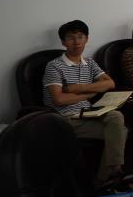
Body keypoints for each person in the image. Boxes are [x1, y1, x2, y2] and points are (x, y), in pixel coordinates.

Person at [43, 20, 126, 184]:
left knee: (116, 116)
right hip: (66, 119)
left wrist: (78, 88)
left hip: (88, 114)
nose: (77, 42)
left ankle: (106, 177)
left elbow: (110, 83)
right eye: (71, 38)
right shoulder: (54, 66)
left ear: (86, 39)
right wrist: (88, 95)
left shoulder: (90, 63)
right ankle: (108, 177)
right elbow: (59, 99)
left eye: (81, 37)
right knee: (121, 132)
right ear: (63, 42)